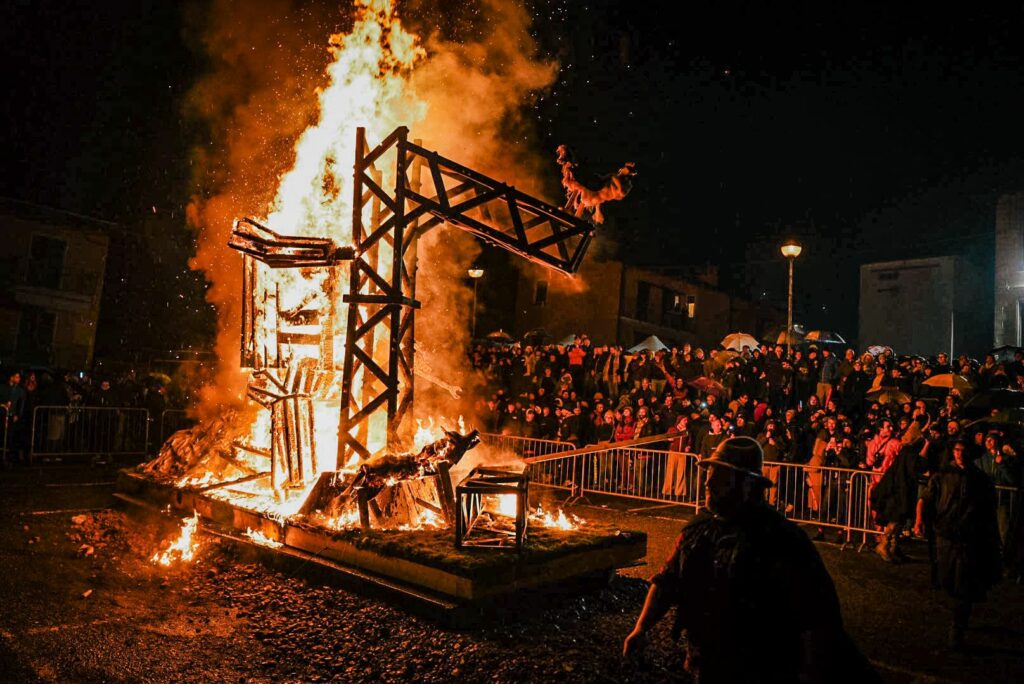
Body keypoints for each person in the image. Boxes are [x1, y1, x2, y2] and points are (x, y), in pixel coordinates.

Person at [623, 436, 878, 682]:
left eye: (720, 477)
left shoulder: (781, 539)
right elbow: (667, 580)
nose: (708, 483)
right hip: (707, 662)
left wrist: (809, 671)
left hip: (759, 668)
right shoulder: (698, 530)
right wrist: (641, 628)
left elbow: (817, 616)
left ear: (747, 484)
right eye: (710, 474)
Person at [914, 439, 1002, 650]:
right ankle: (959, 613)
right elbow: (925, 498)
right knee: (947, 579)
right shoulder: (942, 475)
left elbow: (989, 508)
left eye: (963, 450)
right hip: (945, 534)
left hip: (970, 537)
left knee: (964, 582)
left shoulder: (980, 479)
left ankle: (958, 626)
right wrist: (919, 519)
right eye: (957, 450)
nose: (960, 454)